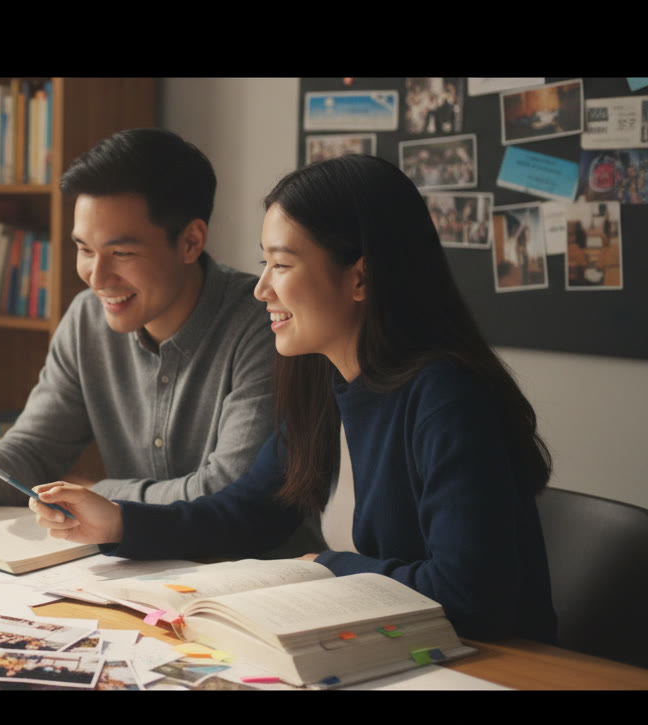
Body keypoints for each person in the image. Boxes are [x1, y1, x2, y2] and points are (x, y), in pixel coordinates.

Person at [29, 154, 558, 643]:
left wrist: (328, 566)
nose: (262, 289)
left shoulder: (445, 397)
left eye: (281, 265)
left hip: (490, 666)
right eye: (264, 264)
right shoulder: (321, 382)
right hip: (387, 649)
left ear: (360, 277)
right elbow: (248, 511)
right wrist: (120, 522)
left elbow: (471, 598)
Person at [0, 127, 323, 558]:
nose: (97, 277)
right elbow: (36, 449)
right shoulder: (88, 318)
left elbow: (225, 494)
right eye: (85, 250)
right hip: (132, 572)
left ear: (190, 241)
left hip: (253, 578)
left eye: (121, 253)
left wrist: (101, 493)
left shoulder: (265, 325)